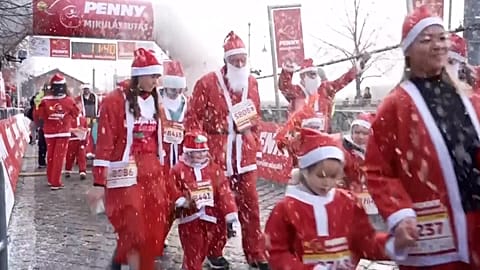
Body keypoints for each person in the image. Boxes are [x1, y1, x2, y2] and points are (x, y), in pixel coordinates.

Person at [365, 6, 480, 269]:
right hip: (433, 237)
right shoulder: (395, 105)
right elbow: (377, 169)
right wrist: (399, 213)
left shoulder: (470, 98)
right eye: (426, 40)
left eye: (441, 38)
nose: (437, 46)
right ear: (407, 50)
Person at [185, 31, 268, 269]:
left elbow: (256, 117)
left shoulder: (251, 83)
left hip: (244, 153)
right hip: (217, 153)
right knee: (220, 207)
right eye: (235, 60)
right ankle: (214, 251)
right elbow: (193, 118)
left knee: (251, 206)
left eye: (243, 59)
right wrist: (197, 147)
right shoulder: (207, 82)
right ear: (226, 61)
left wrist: (256, 144)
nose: (240, 64)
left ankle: (256, 253)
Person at [265, 128, 389, 269]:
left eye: (333, 176)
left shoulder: (347, 202)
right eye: (321, 176)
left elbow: (364, 242)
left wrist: (392, 245)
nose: (327, 183)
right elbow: (276, 251)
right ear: (305, 171)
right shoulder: (287, 208)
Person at [90, 48, 168, 270]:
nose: (156, 80)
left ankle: (134, 264)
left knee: (154, 228)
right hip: (124, 173)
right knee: (133, 228)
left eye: (157, 76)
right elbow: (105, 143)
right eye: (153, 76)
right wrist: (98, 182)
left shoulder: (156, 99)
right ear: (139, 75)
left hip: (152, 171)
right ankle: (123, 264)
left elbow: (163, 138)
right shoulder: (114, 101)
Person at [171, 131, 238, 270]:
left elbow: (223, 191)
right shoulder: (179, 169)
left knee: (202, 249)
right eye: (197, 151)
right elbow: (171, 187)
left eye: (203, 151)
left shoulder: (214, 169)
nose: (201, 154)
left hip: (210, 217)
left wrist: (229, 211)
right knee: (193, 250)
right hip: (189, 219)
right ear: (189, 152)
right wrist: (180, 199)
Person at [278, 56, 369, 131]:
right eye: (311, 74)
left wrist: (356, 68)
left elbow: (341, 81)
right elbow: (284, 86)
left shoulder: (324, 90)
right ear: (303, 76)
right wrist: (288, 69)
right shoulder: (296, 92)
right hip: (300, 139)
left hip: (323, 138)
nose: (314, 77)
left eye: (315, 74)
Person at [35, 74, 79, 190]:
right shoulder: (69, 100)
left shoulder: (45, 100)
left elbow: (40, 115)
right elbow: (76, 113)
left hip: (49, 132)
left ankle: (50, 179)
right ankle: (55, 182)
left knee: (51, 156)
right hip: (63, 132)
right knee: (59, 157)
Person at [64, 100, 88, 179]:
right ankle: (68, 169)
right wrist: (75, 130)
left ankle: (82, 171)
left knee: (82, 155)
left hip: (81, 139)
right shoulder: (70, 118)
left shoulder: (83, 118)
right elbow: (67, 128)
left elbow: (86, 128)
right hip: (72, 139)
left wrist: (84, 131)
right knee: (70, 156)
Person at [76, 83, 99, 159]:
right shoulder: (79, 99)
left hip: (94, 119)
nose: (86, 91)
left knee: (94, 136)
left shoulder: (95, 98)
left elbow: (99, 107)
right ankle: (87, 151)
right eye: (84, 89)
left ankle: (94, 152)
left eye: (87, 89)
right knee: (86, 136)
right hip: (85, 119)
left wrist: (98, 116)